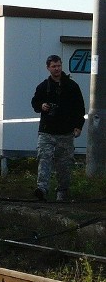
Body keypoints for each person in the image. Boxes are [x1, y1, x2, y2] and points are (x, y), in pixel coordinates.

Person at [30, 55, 85, 202]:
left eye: (58, 65)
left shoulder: (72, 86)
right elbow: (35, 103)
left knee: (64, 164)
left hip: (66, 132)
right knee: (44, 159)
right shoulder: (43, 87)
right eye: (53, 66)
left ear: (61, 66)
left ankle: (63, 191)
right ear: (48, 68)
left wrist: (78, 126)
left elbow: (80, 108)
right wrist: (42, 106)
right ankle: (42, 189)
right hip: (47, 131)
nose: (57, 68)